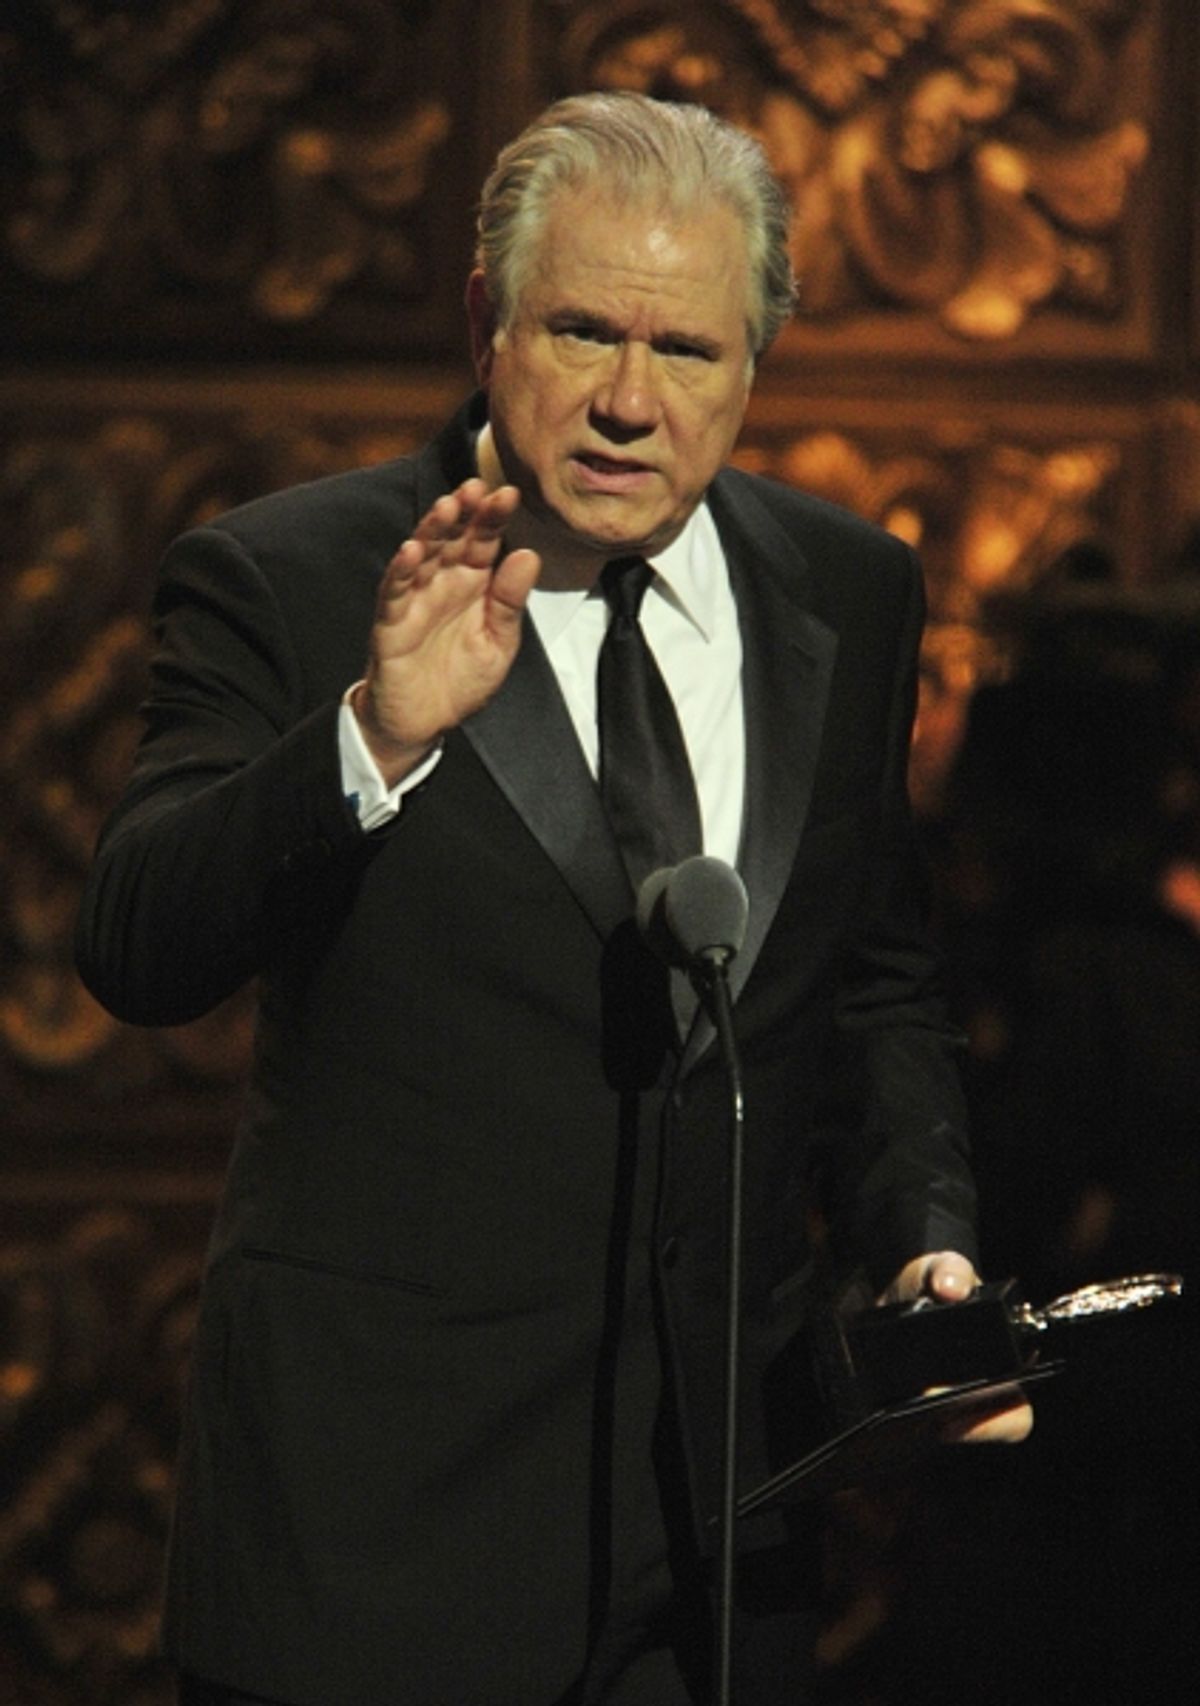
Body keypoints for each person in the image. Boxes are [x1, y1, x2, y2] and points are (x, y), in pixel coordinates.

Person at [76, 92, 1029, 1706]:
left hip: (725, 1550)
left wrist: (922, 1243)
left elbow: (873, 980)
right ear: (485, 321)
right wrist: (371, 735)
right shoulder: (294, 578)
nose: (627, 403)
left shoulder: (851, 591)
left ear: (757, 363)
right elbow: (138, 942)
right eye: (582, 332)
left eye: (689, 353)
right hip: (378, 1556)